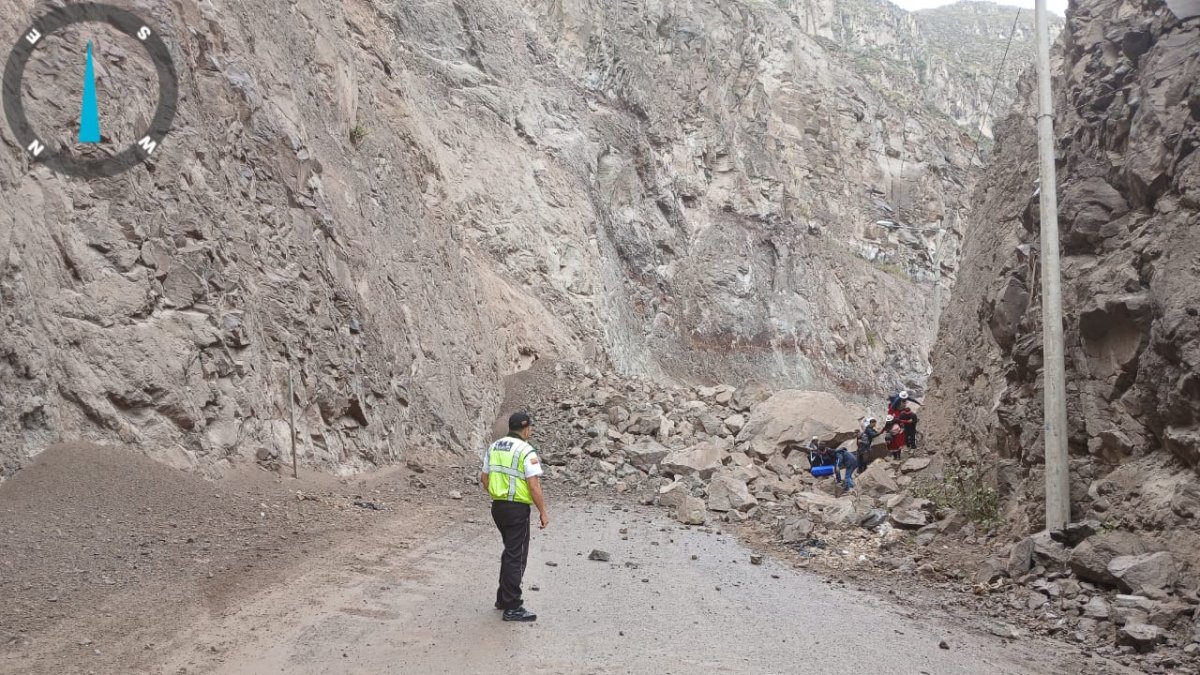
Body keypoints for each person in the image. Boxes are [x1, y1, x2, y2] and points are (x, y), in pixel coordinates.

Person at [481, 412, 549, 622]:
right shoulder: (526, 450)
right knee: (516, 555)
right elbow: (534, 486)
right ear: (526, 429)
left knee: (510, 551)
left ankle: (503, 597)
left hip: (498, 507)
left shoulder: (495, 446)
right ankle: (512, 606)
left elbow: (484, 477)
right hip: (517, 508)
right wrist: (543, 512)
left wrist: (497, 494)